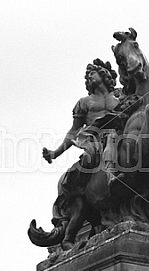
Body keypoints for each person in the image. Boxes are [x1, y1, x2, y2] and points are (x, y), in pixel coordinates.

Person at [42, 58, 119, 196]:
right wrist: (55, 153)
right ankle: (80, 193)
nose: (89, 77)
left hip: (119, 135)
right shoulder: (85, 102)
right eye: (88, 76)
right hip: (94, 140)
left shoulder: (119, 97)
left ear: (103, 74)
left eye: (92, 73)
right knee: (86, 162)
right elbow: (74, 130)